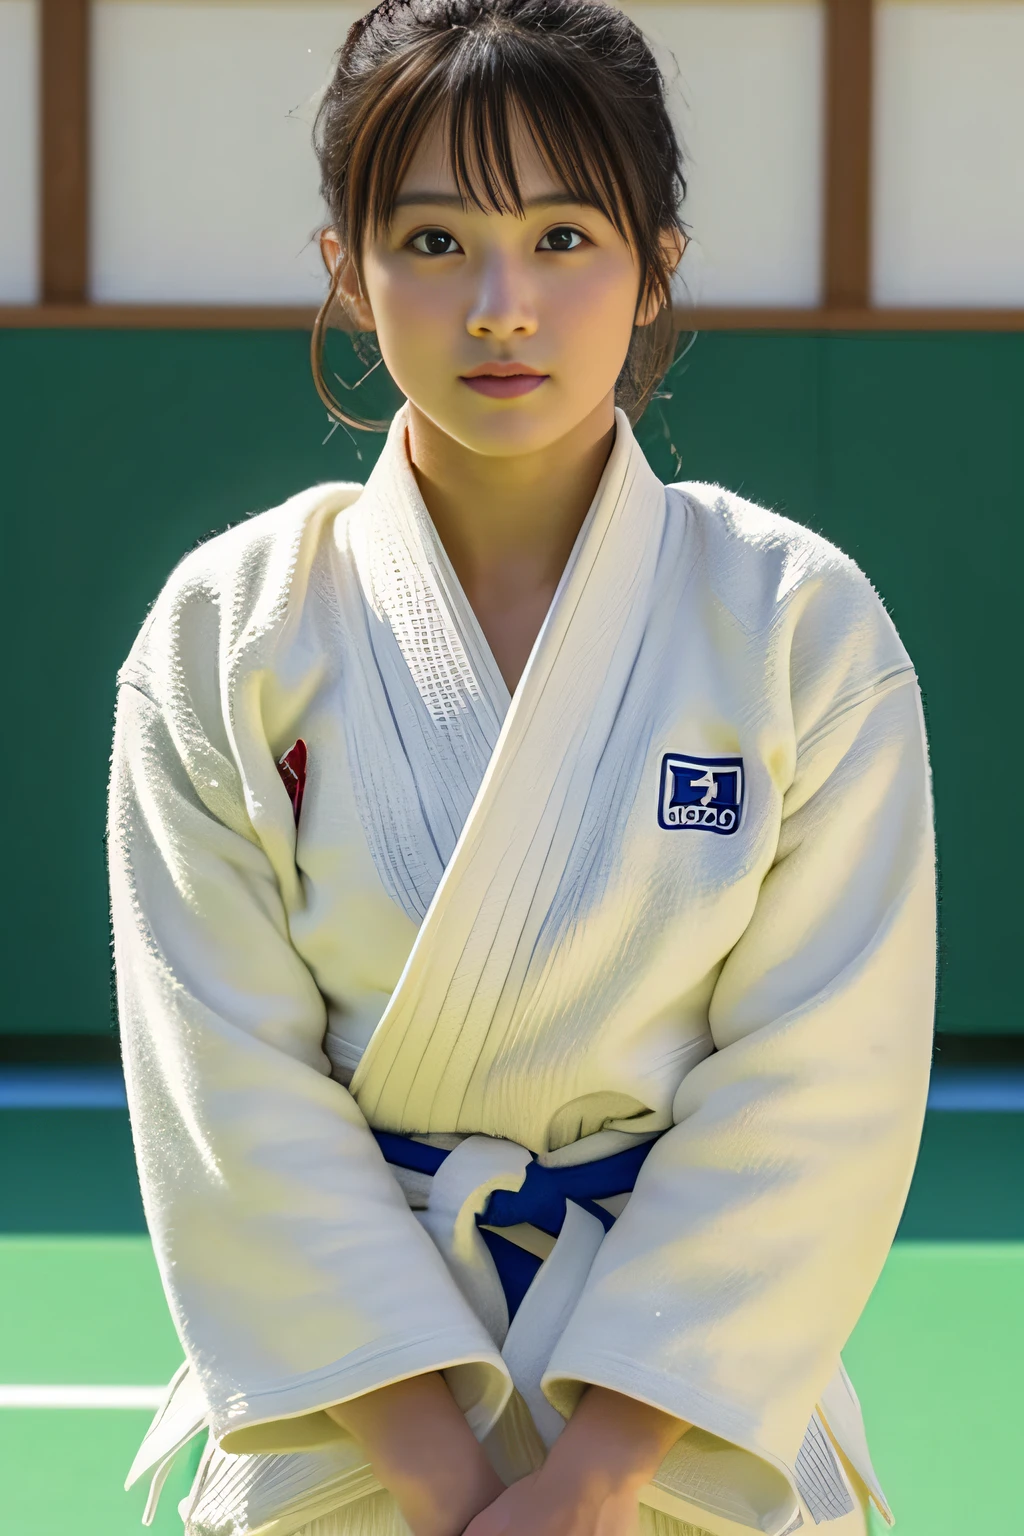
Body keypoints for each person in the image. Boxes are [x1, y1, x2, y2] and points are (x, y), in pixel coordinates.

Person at [108, 2, 936, 1534]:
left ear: (656, 267)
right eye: (433, 242)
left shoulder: (795, 624)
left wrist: (593, 1478)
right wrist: (443, 1475)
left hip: (687, 1440)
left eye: (565, 238)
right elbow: (223, 1083)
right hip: (350, 1437)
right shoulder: (229, 631)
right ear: (345, 272)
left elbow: (824, 1087)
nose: (502, 304)